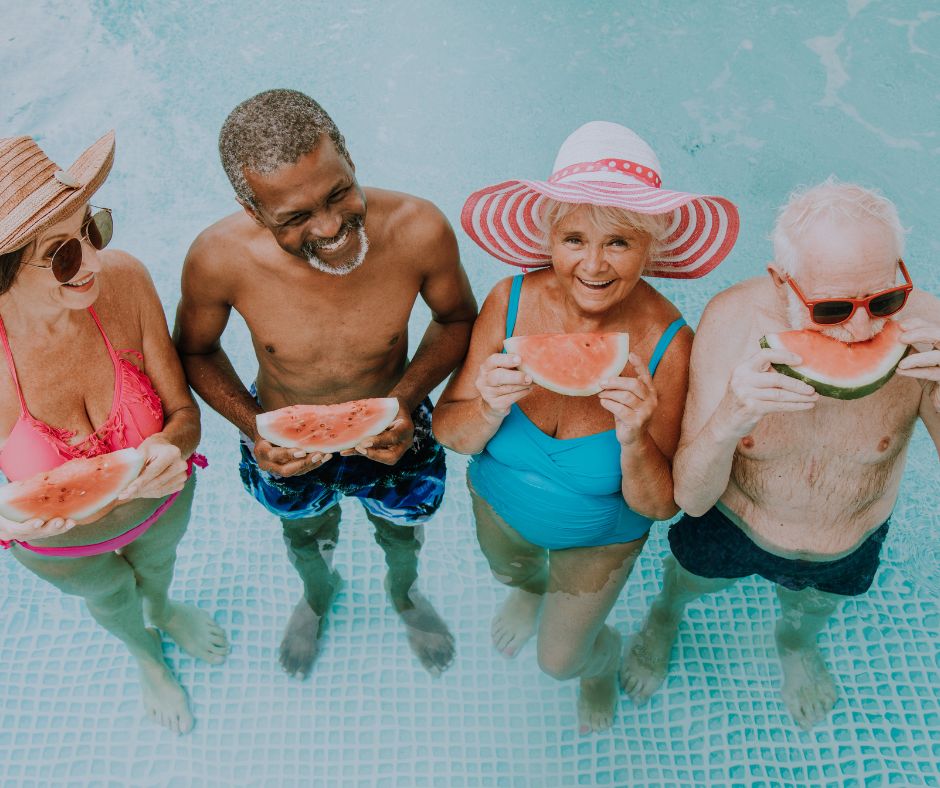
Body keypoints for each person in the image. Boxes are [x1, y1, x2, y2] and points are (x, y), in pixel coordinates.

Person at [433, 121, 739, 733]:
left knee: (558, 661)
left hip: (597, 543)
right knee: (510, 573)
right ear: (550, 237)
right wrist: (489, 406)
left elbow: (660, 507)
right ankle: (525, 590)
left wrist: (633, 437)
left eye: (619, 243)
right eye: (574, 238)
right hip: (497, 507)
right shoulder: (509, 301)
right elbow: (450, 433)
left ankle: (598, 665)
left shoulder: (672, 346)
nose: (592, 264)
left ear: (650, 249)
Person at [174, 89, 477, 678]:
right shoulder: (217, 258)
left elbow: (457, 318)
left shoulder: (419, 228)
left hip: (400, 429)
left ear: (350, 157)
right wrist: (253, 426)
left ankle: (405, 593)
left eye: (338, 192)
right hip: (282, 446)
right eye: (295, 217)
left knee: (402, 532)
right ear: (252, 207)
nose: (333, 226)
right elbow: (195, 349)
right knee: (306, 534)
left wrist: (406, 401)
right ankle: (316, 596)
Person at [621, 179, 940, 729]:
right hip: (731, 526)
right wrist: (729, 419)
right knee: (687, 584)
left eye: (883, 300)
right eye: (832, 308)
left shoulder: (928, 331)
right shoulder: (730, 324)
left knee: (810, 612)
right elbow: (691, 501)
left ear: (900, 273)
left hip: (851, 540)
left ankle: (794, 646)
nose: (861, 329)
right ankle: (663, 619)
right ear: (780, 282)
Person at [0, 132, 228, 734]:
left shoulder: (123, 282)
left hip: (163, 505)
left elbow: (185, 415)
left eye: (92, 230)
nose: (94, 260)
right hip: (64, 550)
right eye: (63, 255)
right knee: (111, 599)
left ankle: (164, 609)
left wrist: (173, 446)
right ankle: (145, 657)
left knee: (157, 573)